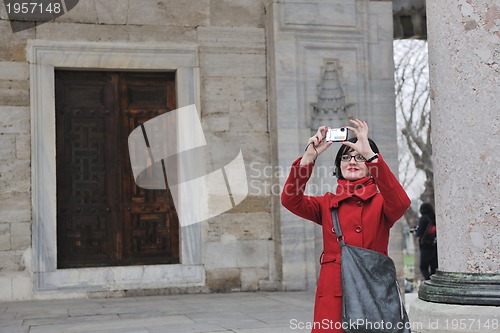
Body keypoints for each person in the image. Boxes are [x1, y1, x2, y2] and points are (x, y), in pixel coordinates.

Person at [281, 119, 411, 333]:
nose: (352, 161)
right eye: (346, 157)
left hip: (371, 291)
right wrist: (309, 157)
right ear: (339, 166)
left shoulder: (381, 203)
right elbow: (290, 199)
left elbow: (401, 203)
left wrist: (371, 155)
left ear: (370, 165)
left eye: (360, 158)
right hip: (333, 294)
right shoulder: (326, 203)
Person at [416, 202, 438, 280]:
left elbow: (419, 233)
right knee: (434, 268)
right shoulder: (435, 218)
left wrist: (416, 231)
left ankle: (429, 282)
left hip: (426, 246)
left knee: (423, 267)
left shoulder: (423, 219)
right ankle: (435, 283)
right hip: (435, 246)